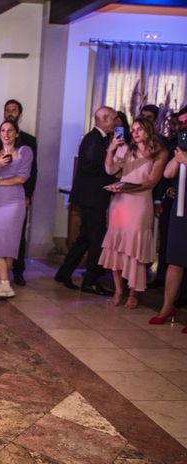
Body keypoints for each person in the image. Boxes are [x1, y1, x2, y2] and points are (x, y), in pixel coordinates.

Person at [99, 117, 166, 308]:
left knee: (134, 248)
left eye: (140, 129)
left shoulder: (159, 153)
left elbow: (152, 181)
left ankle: (133, 293)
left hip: (140, 202)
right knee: (117, 245)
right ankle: (119, 289)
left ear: (149, 131)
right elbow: (110, 170)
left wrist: (126, 188)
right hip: (120, 203)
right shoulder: (126, 149)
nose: (135, 133)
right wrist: (111, 150)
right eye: (134, 129)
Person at [54, 106, 117, 294]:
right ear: (104, 119)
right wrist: (112, 167)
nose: (116, 122)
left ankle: (64, 272)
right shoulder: (94, 139)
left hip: (92, 196)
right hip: (92, 196)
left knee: (85, 238)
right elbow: (89, 166)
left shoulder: (101, 139)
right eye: (113, 118)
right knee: (97, 238)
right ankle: (90, 281)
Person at [0, 99, 37, 286]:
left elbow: (26, 176)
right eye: (3, 131)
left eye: (10, 130)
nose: (6, 133)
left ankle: (9, 276)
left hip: (16, 199)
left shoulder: (26, 148)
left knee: (13, 239)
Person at [149, 106, 187, 328]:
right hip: (180, 208)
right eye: (181, 122)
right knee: (175, 260)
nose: (183, 125)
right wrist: (180, 156)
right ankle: (166, 307)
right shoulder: (179, 143)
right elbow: (168, 173)